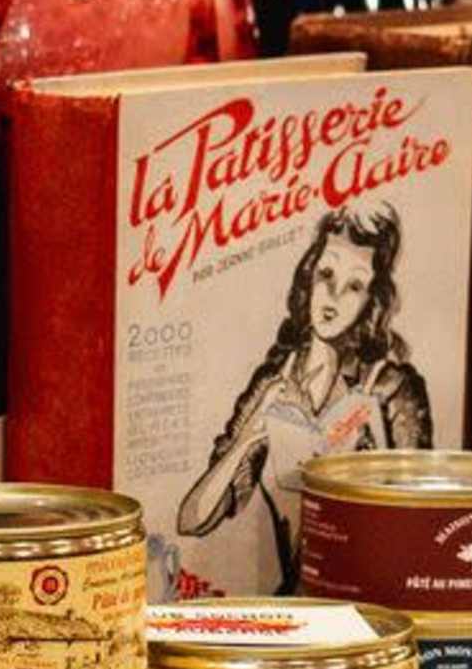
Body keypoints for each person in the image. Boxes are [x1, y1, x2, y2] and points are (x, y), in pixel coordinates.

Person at [175, 204, 434, 595]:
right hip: (294, 607)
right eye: (326, 275)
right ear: (309, 275)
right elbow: (191, 520)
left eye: (354, 286)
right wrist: (248, 438)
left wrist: (376, 463)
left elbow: (423, 531)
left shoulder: (392, 388)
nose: (332, 297)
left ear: (372, 301)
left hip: (371, 605)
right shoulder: (273, 383)